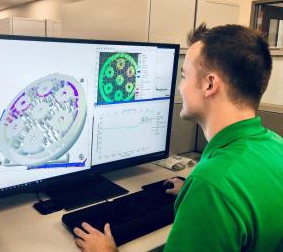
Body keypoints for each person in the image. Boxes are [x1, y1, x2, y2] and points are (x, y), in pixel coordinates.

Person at [73, 24, 283, 252]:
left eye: (184, 76)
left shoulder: (212, 185)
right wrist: (192, 195)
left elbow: (221, 191)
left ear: (209, 84)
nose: (180, 87)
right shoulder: (276, 146)